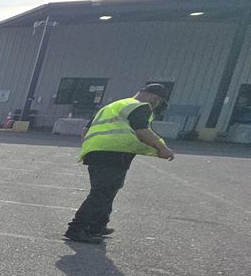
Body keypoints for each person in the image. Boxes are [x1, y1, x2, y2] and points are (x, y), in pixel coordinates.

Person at [64, 82, 175, 243]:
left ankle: (97, 226)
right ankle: (77, 228)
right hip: (114, 154)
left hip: (96, 153)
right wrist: (161, 148)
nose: (156, 106)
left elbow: (85, 131)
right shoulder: (140, 106)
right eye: (158, 102)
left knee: (107, 190)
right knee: (102, 193)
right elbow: (142, 131)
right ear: (153, 97)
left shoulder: (113, 106)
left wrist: (93, 146)